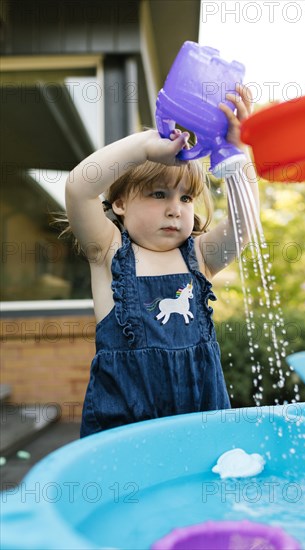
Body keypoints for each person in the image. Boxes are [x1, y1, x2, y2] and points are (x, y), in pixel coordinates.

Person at [65, 84, 259, 437]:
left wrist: (236, 152)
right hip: (125, 428)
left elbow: (246, 221)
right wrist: (144, 147)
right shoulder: (109, 252)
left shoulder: (199, 256)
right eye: (158, 194)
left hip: (201, 419)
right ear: (120, 203)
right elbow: (80, 187)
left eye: (186, 198)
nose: (175, 208)